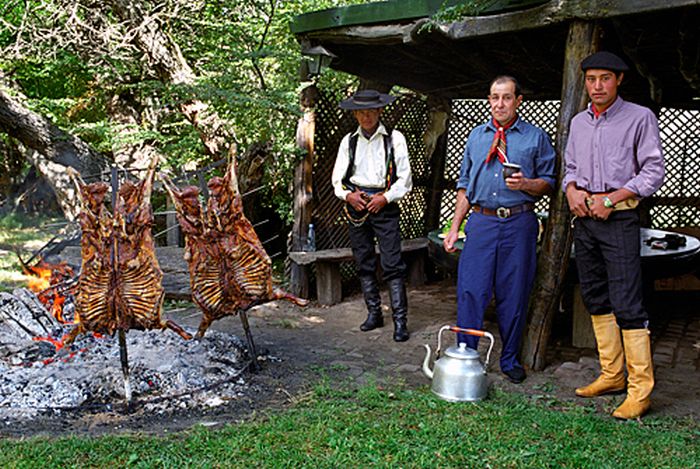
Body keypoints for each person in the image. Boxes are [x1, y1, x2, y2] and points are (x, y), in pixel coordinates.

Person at [563, 51, 665, 419]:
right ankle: (611, 374)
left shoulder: (640, 118)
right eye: (591, 79)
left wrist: (613, 197)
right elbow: (570, 166)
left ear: (619, 80)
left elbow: (653, 173)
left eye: (605, 78)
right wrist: (572, 190)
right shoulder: (578, 123)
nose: (597, 86)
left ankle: (641, 391)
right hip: (585, 220)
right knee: (594, 295)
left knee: (627, 302)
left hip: (619, 218)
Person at [443, 76, 555, 383]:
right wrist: (455, 229)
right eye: (494, 97)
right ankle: (465, 355)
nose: (500, 104)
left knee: (514, 292)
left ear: (519, 100)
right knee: (471, 290)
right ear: (489, 100)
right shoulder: (477, 137)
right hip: (481, 222)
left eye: (507, 97)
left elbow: (548, 182)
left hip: (519, 221)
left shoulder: (536, 137)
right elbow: (465, 185)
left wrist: (527, 184)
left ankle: (509, 359)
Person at [331, 89, 413, 342]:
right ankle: (374, 314)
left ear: (379, 111)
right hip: (357, 205)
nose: (366, 117)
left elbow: (405, 180)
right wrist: (349, 196)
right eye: (361, 112)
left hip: (384, 203)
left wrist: (385, 198)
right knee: (363, 260)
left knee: (392, 263)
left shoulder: (394, 139)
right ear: (355, 114)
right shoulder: (349, 141)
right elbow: (337, 180)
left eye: (370, 111)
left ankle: (400, 322)